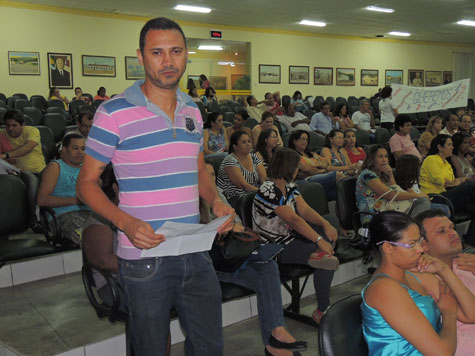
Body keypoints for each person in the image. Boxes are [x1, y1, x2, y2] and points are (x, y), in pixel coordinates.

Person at [76, 17, 234, 356]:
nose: (167, 61)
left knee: (209, 347)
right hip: (144, 258)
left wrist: (217, 202)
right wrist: (126, 223)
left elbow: (198, 170)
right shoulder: (113, 112)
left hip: (194, 250)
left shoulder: (193, 109)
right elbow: (86, 184)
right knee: (150, 349)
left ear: (186, 55)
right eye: (157, 52)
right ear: (141, 57)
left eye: (175, 51)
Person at [202, 164, 307, 356]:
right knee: (265, 272)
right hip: (210, 264)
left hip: (233, 258)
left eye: (212, 173)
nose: (210, 177)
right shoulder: (188, 202)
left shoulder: (219, 196)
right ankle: (274, 342)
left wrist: (235, 229)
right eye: (205, 174)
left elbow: (239, 225)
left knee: (268, 267)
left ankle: (276, 336)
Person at [252, 147, 339, 324]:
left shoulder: (290, 187)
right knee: (327, 261)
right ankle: (323, 309)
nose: (298, 170)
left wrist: (325, 224)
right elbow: (294, 219)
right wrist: (319, 240)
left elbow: (304, 210)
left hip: (291, 240)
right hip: (274, 246)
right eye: (296, 166)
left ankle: (319, 253)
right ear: (288, 167)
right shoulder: (268, 189)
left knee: (328, 224)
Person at [361, 211, 458, 356]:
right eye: (411, 244)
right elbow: (442, 354)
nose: (421, 249)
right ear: (388, 247)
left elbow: (470, 314)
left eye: (419, 241)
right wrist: (449, 314)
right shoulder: (384, 288)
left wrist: (444, 270)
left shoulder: (413, 275)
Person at [415, 209, 475, 356]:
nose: (453, 233)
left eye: (452, 228)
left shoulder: (464, 263)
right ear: (423, 245)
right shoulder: (423, 278)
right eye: (441, 231)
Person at [419, 134, 475, 242]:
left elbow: (454, 182)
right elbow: (447, 183)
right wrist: (462, 180)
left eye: (452, 145)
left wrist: (458, 181)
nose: (452, 147)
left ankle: (471, 240)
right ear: (440, 147)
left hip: (448, 195)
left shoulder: (446, 163)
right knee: (470, 185)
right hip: (435, 197)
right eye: (449, 145)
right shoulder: (431, 159)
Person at [355, 145, 429, 223]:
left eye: (386, 156)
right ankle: (411, 228)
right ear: (372, 159)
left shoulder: (382, 174)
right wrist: (416, 195)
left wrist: (390, 175)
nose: (384, 160)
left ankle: (412, 227)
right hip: (374, 215)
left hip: (390, 211)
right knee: (421, 202)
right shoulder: (367, 175)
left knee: (422, 202)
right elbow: (390, 195)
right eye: (380, 156)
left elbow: (396, 189)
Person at [37, 134, 89, 244]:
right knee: (91, 237)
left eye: (83, 149)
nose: (80, 152)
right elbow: (42, 200)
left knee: (113, 230)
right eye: (75, 148)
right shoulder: (55, 167)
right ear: (64, 150)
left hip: (89, 213)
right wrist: (76, 200)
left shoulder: (86, 169)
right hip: (64, 215)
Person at [217, 130, 266, 209]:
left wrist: (267, 192)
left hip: (253, 194)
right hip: (235, 198)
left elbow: (263, 179)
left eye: (249, 141)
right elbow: (244, 186)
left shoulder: (254, 156)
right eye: (243, 142)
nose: (248, 144)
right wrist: (264, 194)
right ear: (235, 146)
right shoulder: (230, 161)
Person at [288, 130, 340, 201]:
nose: (305, 141)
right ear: (294, 141)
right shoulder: (293, 155)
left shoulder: (311, 154)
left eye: (307, 140)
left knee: (336, 192)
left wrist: (315, 164)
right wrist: (321, 168)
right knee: (338, 175)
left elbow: (326, 163)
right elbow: (306, 169)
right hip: (306, 180)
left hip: (317, 176)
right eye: (302, 139)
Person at [0, 109, 46, 175]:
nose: (10, 128)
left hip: (37, 172)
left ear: (22, 125)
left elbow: (28, 147)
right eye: (7, 125)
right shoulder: (2, 134)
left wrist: (6, 155)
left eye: (14, 125)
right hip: (15, 173)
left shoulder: (32, 131)